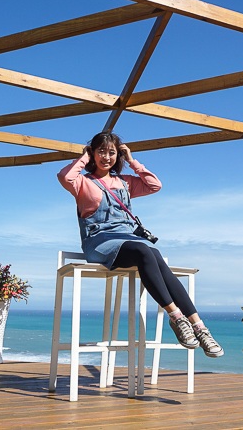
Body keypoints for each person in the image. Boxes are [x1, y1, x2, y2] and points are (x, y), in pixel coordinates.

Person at [57, 131, 223, 357]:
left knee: (153, 253)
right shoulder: (82, 182)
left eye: (112, 153)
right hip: (100, 242)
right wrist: (83, 158)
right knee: (145, 250)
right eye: (101, 152)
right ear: (93, 153)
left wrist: (133, 161)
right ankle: (176, 317)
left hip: (129, 240)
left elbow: (155, 185)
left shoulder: (124, 182)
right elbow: (65, 176)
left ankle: (199, 327)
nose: (107, 157)